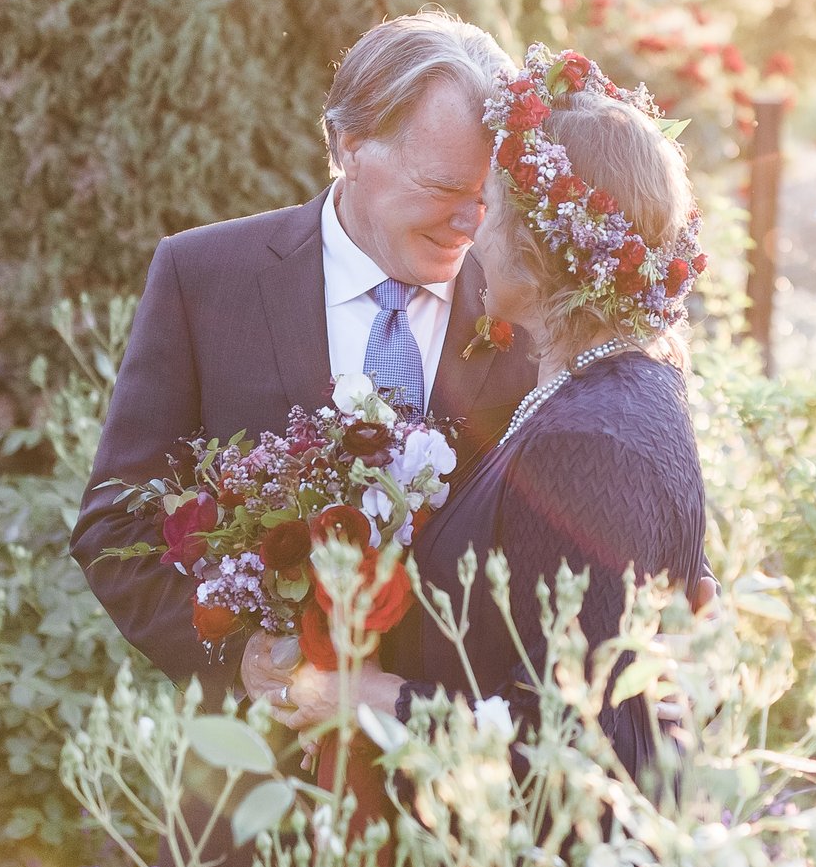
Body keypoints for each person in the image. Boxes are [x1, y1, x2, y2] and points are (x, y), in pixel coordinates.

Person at [253, 46, 709, 784]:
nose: (471, 232)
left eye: (489, 205)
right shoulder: (620, 387)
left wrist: (368, 694)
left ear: (537, 246)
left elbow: (575, 744)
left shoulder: (586, 440)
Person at [72, 11, 539, 703]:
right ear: (351, 146)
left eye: (486, 196)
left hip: (467, 761)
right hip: (272, 775)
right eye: (444, 190)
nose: (471, 225)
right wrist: (241, 653)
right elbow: (114, 524)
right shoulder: (204, 278)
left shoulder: (527, 299)